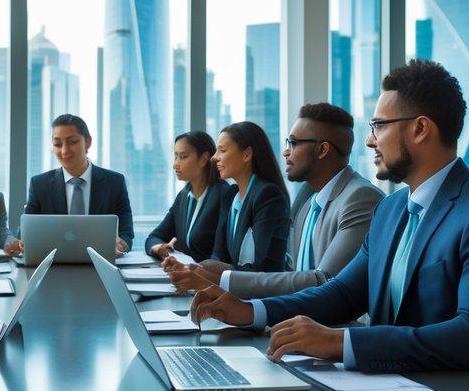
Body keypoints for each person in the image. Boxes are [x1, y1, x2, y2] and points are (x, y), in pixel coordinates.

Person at [191, 60, 469, 378]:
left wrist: (341, 343)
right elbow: (340, 294)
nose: (370, 139)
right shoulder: (390, 209)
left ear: (420, 129)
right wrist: (251, 311)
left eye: (379, 126)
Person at [166, 104, 381, 295]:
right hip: (294, 318)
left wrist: (221, 279)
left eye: (294, 143)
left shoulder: (359, 198)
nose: (286, 152)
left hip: (331, 330)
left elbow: (323, 281)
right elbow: (291, 271)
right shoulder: (307, 199)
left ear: (322, 150)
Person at [23, 114, 135, 255]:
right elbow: (26, 233)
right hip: (54, 266)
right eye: (57, 144)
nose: (64, 151)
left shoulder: (114, 183)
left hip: (101, 265)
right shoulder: (39, 184)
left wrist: (121, 244)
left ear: (88, 142)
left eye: (72, 142)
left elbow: (126, 232)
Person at [192, 121, 291, 275]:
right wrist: (196, 269)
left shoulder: (268, 195)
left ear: (247, 155)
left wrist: (202, 269)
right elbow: (219, 255)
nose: (214, 158)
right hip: (237, 291)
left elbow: (262, 268)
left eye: (222, 150)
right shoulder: (230, 195)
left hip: (264, 295)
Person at [146, 131, 229, 262]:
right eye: (175, 156)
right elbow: (155, 236)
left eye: (183, 157)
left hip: (208, 278)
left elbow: (220, 255)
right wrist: (158, 248)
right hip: (186, 274)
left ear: (204, 158)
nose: (175, 164)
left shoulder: (223, 194)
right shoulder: (184, 196)